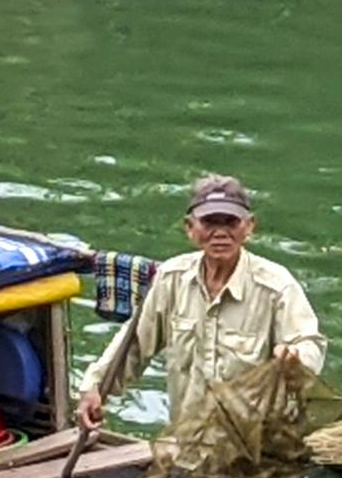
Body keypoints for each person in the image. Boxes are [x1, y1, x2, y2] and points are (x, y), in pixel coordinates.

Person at [74, 174, 325, 436]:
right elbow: (134, 343)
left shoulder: (276, 286)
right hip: (188, 438)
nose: (220, 233)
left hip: (256, 443)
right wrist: (95, 388)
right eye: (209, 222)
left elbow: (309, 343)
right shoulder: (172, 278)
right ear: (190, 227)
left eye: (231, 222)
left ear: (249, 226)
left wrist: (295, 358)